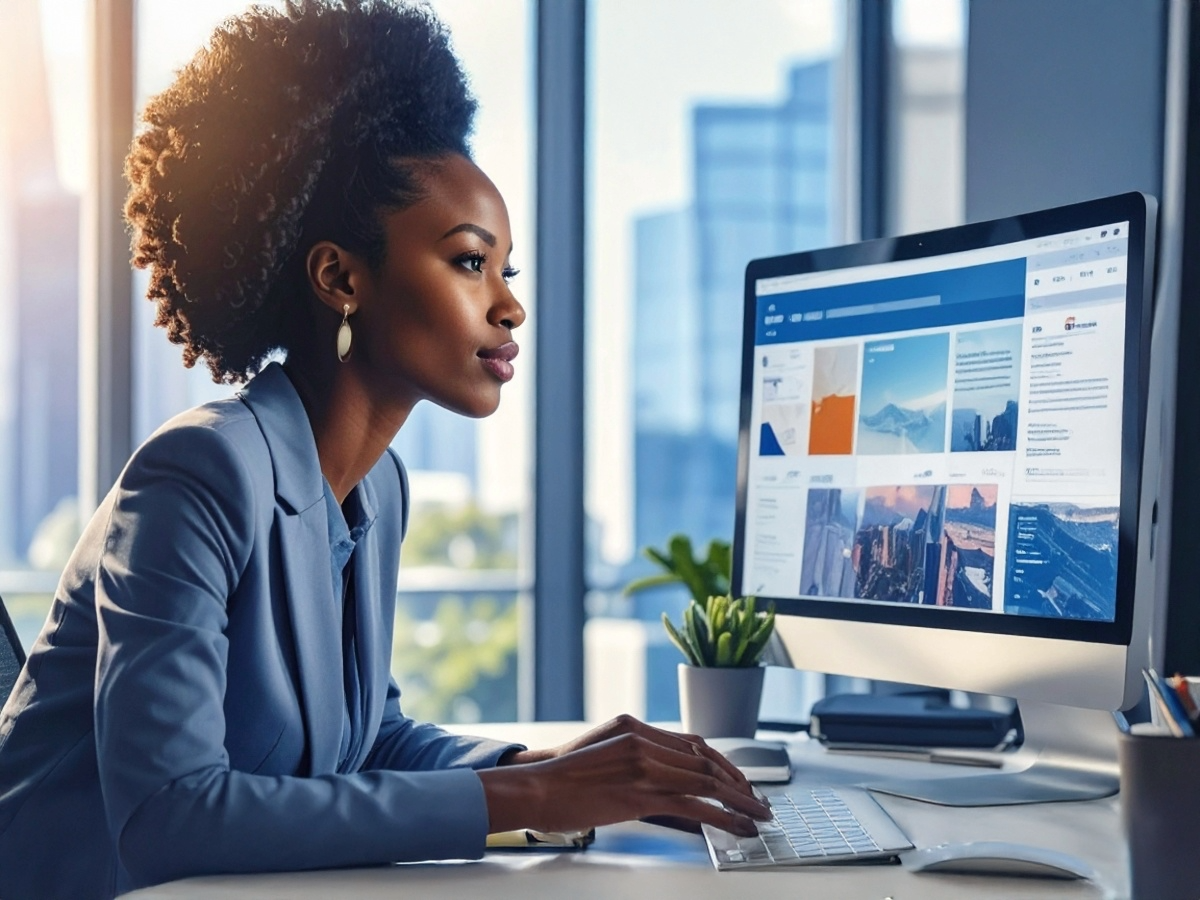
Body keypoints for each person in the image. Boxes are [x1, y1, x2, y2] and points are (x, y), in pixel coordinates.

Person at [0, 3, 768, 898]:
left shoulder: (377, 490)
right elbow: (168, 817)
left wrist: (559, 765)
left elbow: (368, 742)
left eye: (506, 270)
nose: (509, 307)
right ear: (340, 278)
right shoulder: (196, 477)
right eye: (469, 262)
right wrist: (527, 792)